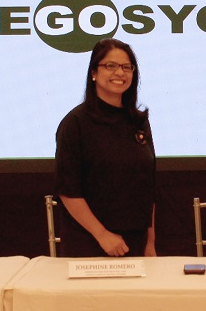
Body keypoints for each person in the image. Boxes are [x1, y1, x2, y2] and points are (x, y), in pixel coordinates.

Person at [55, 38, 156, 257]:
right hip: (90, 243)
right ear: (94, 72)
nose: (120, 73)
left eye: (127, 67)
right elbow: (68, 190)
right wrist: (102, 235)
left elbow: (148, 188)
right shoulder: (75, 123)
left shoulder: (138, 121)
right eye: (111, 66)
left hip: (136, 242)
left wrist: (150, 242)